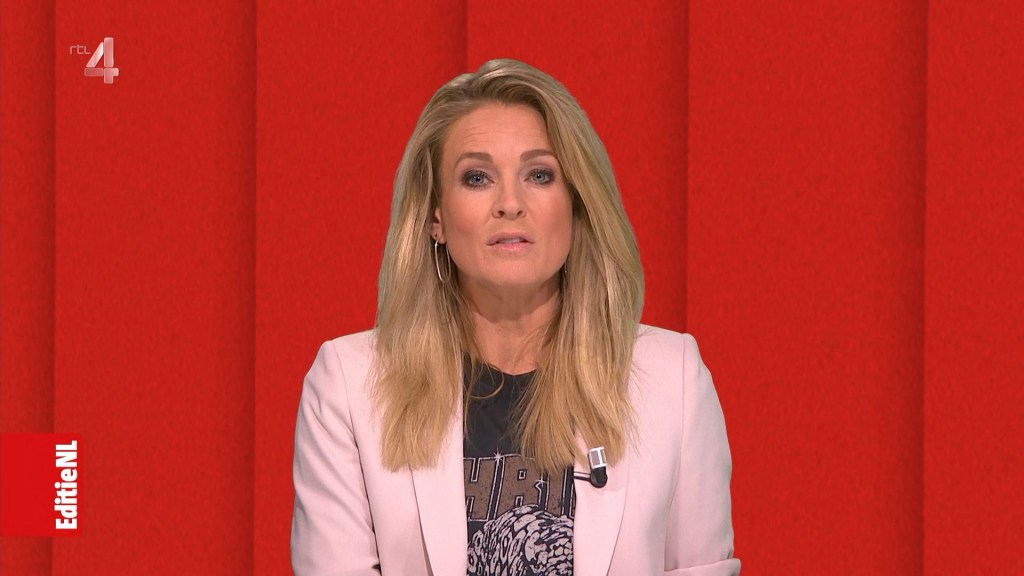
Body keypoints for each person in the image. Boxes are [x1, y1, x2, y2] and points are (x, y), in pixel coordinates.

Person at [291, 58, 739, 576]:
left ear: (576, 205)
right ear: (436, 217)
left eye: (539, 175)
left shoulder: (672, 379)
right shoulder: (348, 386)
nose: (510, 203)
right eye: (477, 178)